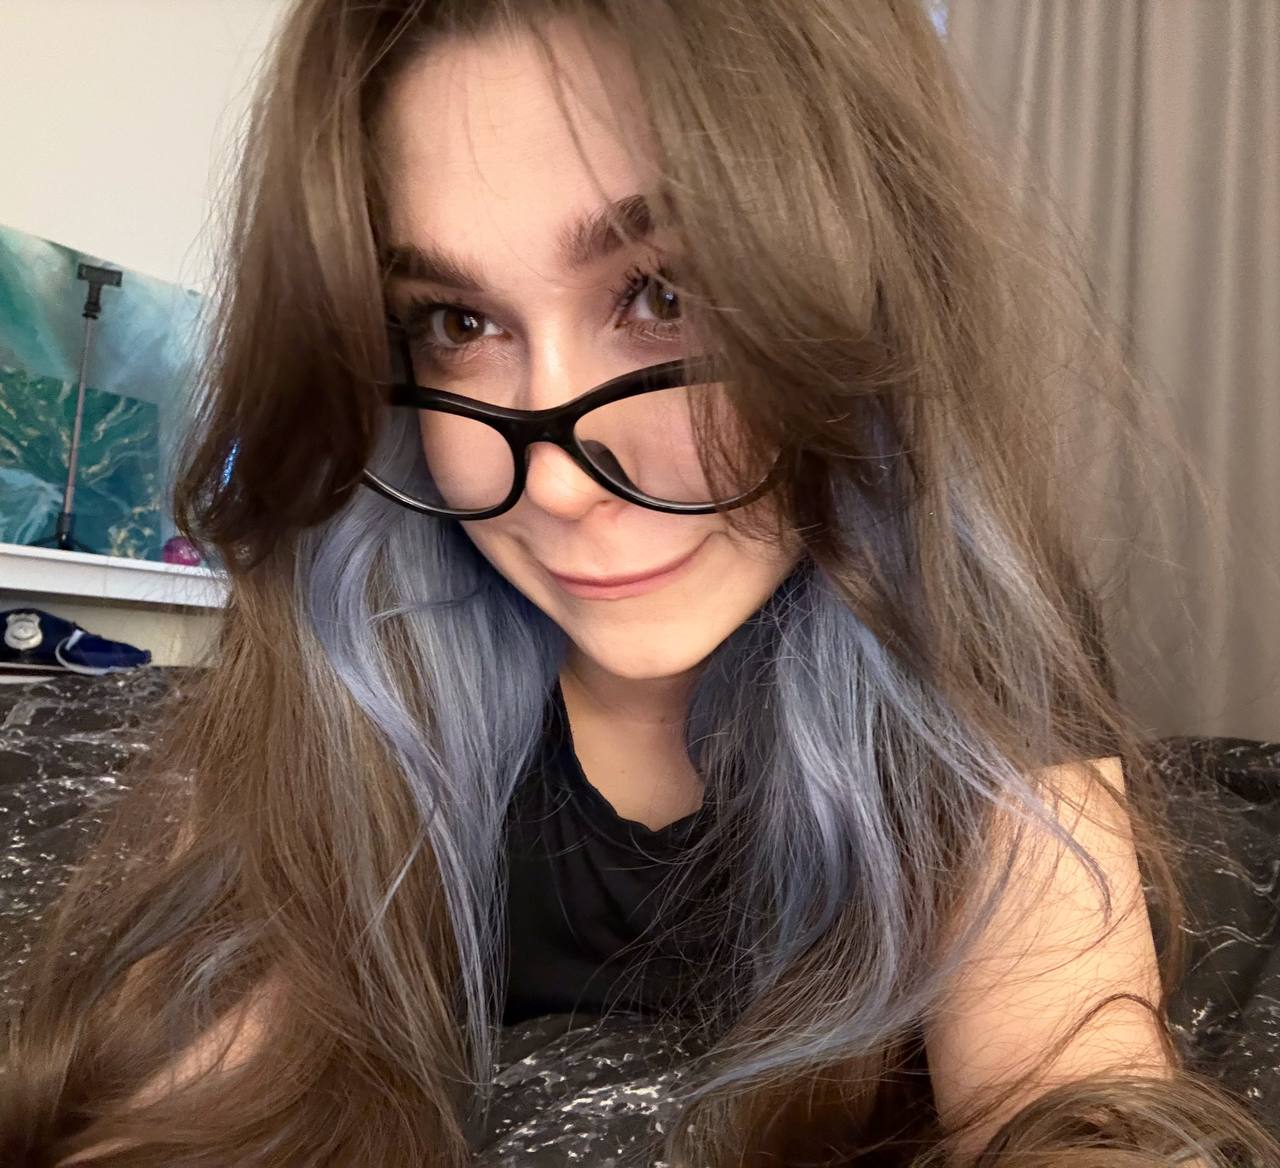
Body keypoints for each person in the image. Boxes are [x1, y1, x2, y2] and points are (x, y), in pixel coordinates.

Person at [2, 1, 1277, 1165]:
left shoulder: (971, 629)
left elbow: (1069, 1103)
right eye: (456, 322)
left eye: (666, 292)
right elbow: (199, 1098)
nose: (557, 482)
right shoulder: (362, 649)